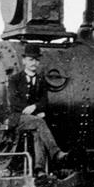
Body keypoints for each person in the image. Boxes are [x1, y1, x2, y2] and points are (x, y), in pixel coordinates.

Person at [8, 44, 67, 172]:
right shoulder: (14, 79)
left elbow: (44, 101)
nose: (34, 63)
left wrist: (35, 107)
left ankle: (39, 169)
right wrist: (32, 111)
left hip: (33, 120)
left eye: (36, 60)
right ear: (24, 61)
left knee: (38, 132)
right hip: (17, 118)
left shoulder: (41, 80)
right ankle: (56, 152)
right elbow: (14, 102)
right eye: (30, 60)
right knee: (39, 122)